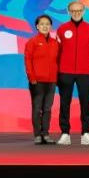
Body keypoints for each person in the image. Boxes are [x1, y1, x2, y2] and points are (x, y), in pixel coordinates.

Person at [55, 0, 89, 146]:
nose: (76, 13)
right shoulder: (62, 29)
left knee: (85, 102)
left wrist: (86, 61)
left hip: (84, 72)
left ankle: (86, 133)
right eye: (73, 10)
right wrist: (60, 67)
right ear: (69, 12)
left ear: (83, 11)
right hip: (65, 71)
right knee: (64, 103)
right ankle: (65, 133)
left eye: (79, 10)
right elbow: (57, 51)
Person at [24, 14, 59, 145]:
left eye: (47, 24)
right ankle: (38, 135)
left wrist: (57, 78)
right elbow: (28, 61)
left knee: (48, 108)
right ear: (37, 27)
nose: (45, 26)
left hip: (51, 81)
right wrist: (31, 77)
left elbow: (58, 61)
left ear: (51, 26)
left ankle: (46, 134)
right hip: (37, 81)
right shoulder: (32, 42)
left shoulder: (55, 43)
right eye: (42, 24)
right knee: (37, 108)